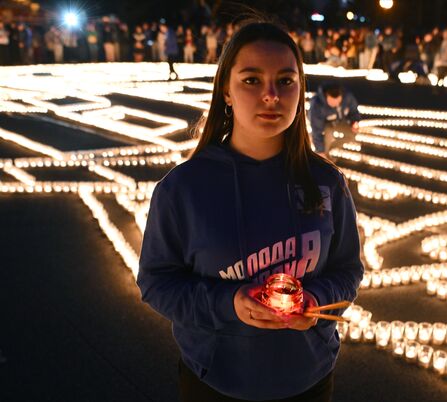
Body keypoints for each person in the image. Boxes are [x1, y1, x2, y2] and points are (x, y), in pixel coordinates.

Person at [137, 20, 363, 402]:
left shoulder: (326, 181)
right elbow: (157, 283)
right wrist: (229, 304)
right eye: (252, 80)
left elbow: (348, 269)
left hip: (309, 379)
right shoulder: (183, 189)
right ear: (226, 89)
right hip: (216, 382)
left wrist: (317, 299)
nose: (271, 95)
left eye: (286, 81)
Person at [308, 82, 360, 156]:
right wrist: (320, 150)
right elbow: (316, 129)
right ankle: (324, 155)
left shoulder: (347, 97)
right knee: (325, 145)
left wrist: (354, 122)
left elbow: (354, 111)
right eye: (332, 102)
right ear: (326, 96)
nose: (336, 104)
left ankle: (330, 149)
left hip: (340, 121)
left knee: (351, 135)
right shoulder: (317, 105)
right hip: (325, 125)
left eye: (338, 101)